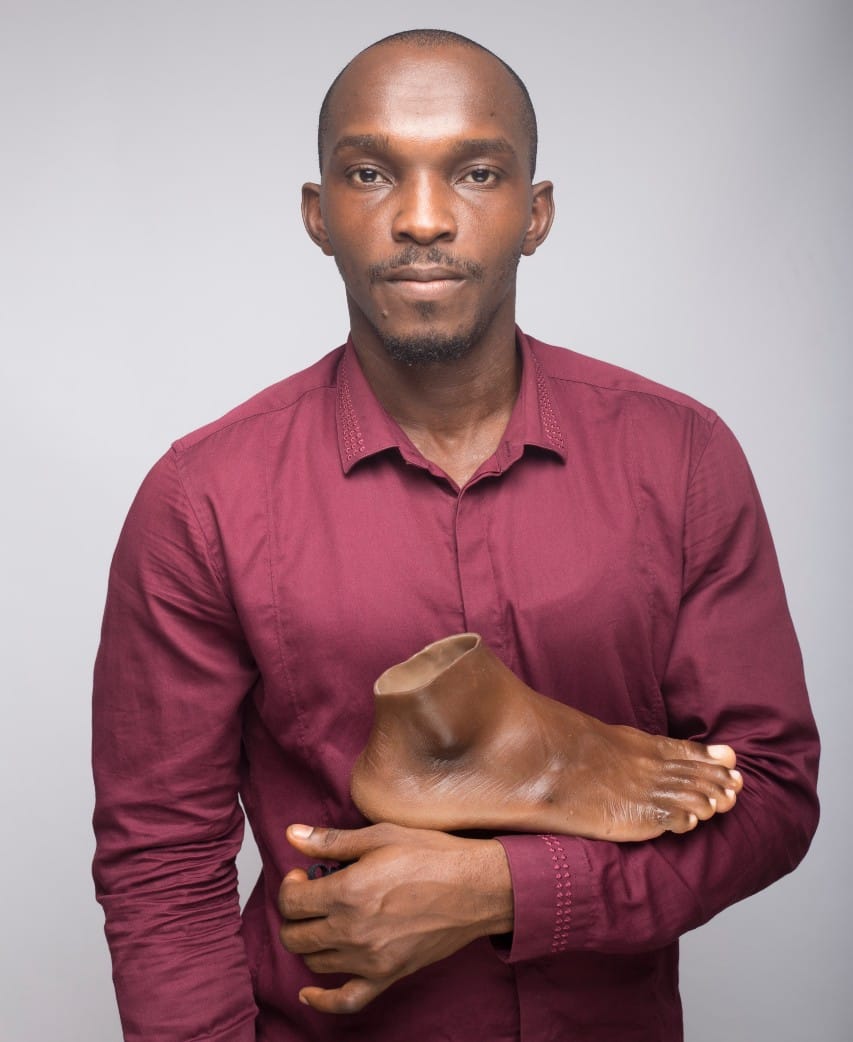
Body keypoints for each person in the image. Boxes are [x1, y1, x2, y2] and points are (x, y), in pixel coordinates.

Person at [92, 28, 820, 1042]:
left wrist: (503, 888)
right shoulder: (201, 499)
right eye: (370, 172)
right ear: (318, 215)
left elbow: (770, 793)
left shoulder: (680, 458)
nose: (424, 218)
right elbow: (160, 859)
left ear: (535, 213)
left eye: (476, 172)